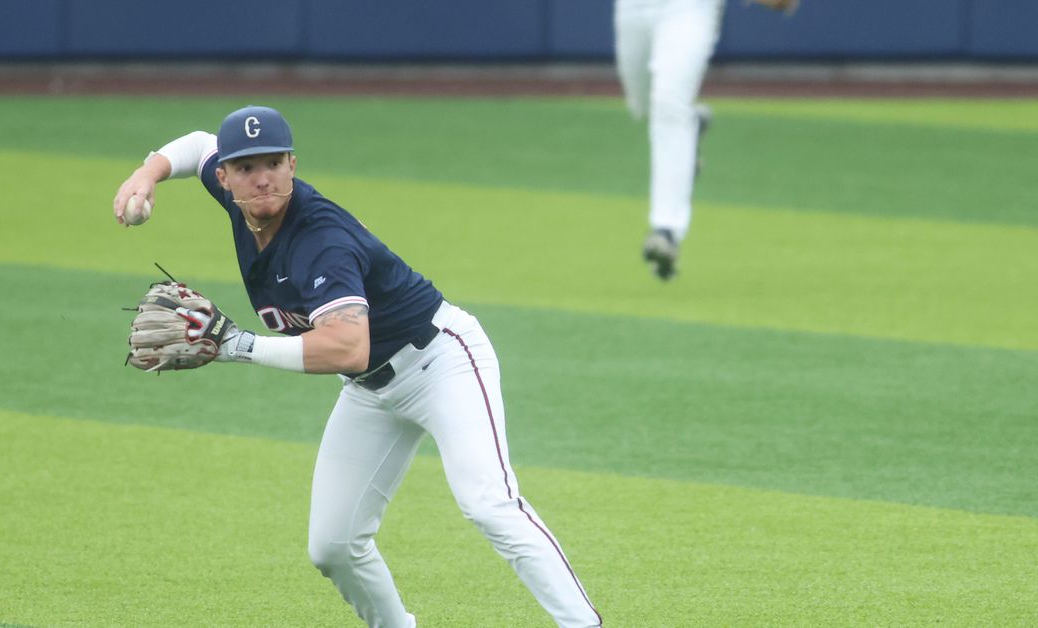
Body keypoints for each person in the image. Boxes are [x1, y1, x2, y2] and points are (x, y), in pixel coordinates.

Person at [112, 105, 602, 628]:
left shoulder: (320, 239)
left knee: (489, 504)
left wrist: (236, 345)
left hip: (442, 361)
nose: (262, 178)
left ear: (292, 165)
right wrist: (148, 173)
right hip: (372, 390)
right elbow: (197, 142)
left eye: (273, 163)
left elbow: (348, 348)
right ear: (225, 178)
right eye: (247, 167)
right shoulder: (239, 194)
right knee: (334, 547)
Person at [614, 0, 798, 280]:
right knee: (642, 105)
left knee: (669, 104)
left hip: (690, 8)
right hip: (633, 7)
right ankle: (690, 132)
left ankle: (666, 230)